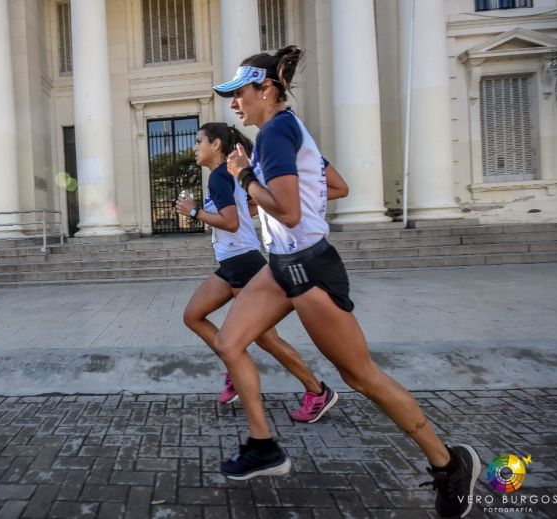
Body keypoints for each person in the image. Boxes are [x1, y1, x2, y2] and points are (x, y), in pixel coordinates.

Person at [211, 46, 480, 518]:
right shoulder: (291, 129)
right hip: (282, 265)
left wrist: (246, 175)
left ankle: (449, 463)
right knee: (231, 342)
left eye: (240, 94)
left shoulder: (274, 134)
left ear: (266, 89)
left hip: (310, 272)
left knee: (361, 376)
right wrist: (282, 198)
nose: (234, 105)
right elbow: (336, 187)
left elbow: (290, 209)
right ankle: (263, 447)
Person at [174, 122, 346, 423]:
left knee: (267, 339)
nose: (194, 147)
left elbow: (231, 223)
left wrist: (192, 212)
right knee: (193, 316)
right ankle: (233, 367)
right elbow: (243, 211)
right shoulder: (224, 175)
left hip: (245, 263)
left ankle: (317, 391)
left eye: (199, 141)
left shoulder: (218, 178)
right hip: (231, 263)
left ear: (215, 145)